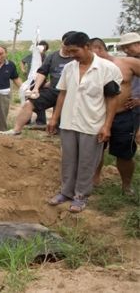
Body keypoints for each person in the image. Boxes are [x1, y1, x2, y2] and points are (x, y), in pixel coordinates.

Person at [46, 32, 122, 213]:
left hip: (92, 123)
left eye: (75, 51)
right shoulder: (69, 68)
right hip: (69, 122)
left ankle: (81, 196)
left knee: (87, 161)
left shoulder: (107, 69)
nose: (72, 55)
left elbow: (112, 99)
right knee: (68, 160)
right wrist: (54, 118)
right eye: (68, 51)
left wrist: (107, 126)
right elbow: (62, 93)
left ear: (87, 47)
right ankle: (65, 192)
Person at [89, 38, 140, 195]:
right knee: (95, 150)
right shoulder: (88, 67)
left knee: (124, 153)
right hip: (97, 115)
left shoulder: (127, 63)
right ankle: (94, 180)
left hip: (122, 116)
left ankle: (126, 185)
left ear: (98, 49)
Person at [0, 31, 76, 136]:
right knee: (29, 103)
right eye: (65, 44)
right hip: (53, 90)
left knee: (64, 118)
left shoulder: (76, 57)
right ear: (62, 43)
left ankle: (61, 135)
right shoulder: (53, 56)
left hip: (71, 93)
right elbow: (42, 72)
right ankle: (16, 130)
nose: (67, 48)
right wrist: (36, 88)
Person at [117, 32, 140, 144]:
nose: (126, 50)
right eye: (124, 48)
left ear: (138, 44)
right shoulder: (126, 61)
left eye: (128, 47)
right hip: (131, 106)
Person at [20, 40, 49, 126]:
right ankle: (27, 120)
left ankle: (41, 121)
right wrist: (23, 69)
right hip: (29, 82)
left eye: (43, 49)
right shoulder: (32, 56)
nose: (41, 51)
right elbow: (22, 61)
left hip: (40, 82)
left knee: (39, 100)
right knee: (27, 100)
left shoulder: (46, 58)